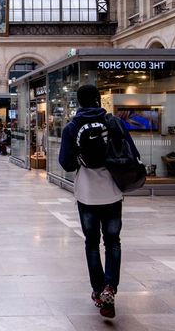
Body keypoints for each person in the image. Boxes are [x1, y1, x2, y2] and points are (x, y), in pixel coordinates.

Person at [58, 84, 140, 319]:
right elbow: (132, 154)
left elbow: (66, 163)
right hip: (113, 192)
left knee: (92, 243)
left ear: (79, 102)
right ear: (98, 100)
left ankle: (97, 291)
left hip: (87, 194)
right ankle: (110, 286)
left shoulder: (72, 127)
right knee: (113, 242)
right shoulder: (114, 122)